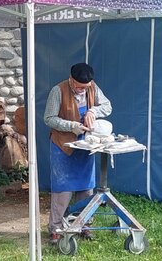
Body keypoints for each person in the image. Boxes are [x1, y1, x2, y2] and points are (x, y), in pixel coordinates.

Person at [43, 62, 112, 245]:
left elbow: (107, 106)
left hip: (84, 145)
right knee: (62, 189)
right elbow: (48, 118)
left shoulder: (92, 88)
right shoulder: (58, 91)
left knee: (86, 188)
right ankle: (56, 229)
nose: (83, 90)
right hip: (62, 146)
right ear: (71, 80)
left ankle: (84, 225)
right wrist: (71, 126)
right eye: (80, 87)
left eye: (86, 87)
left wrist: (93, 110)